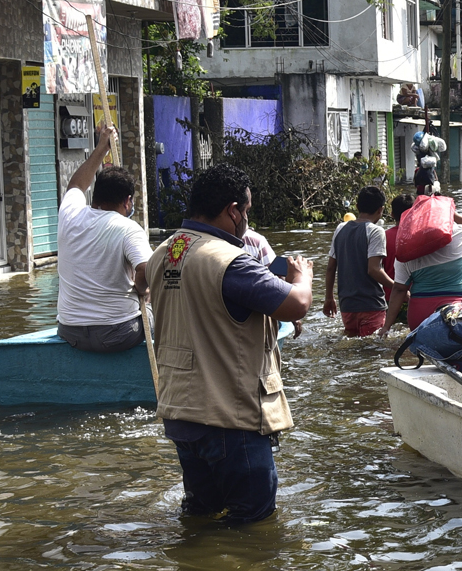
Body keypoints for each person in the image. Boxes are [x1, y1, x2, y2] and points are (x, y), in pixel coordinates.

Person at [148, 163, 310, 524]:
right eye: (247, 212)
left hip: (180, 414)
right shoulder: (230, 261)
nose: (247, 221)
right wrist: (302, 278)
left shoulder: (163, 253)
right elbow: (296, 304)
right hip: (229, 417)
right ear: (232, 211)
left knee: (201, 514)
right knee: (253, 523)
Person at [55, 126, 151, 353]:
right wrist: (142, 289)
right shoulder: (129, 228)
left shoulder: (69, 214)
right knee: (161, 306)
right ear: (128, 201)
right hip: (118, 333)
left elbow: (77, 185)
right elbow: (146, 269)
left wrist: (101, 149)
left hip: (70, 331)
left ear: (95, 195)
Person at [392, 199, 462, 329]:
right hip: (458, 310)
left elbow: (399, 289)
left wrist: (386, 326)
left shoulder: (406, 248)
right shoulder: (459, 235)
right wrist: (451, 213)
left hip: (421, 312)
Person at [322, 185, 398, 336]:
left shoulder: (340, 228)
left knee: (354, 349)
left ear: (357, 206)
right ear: (381, 210)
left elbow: (331, 268)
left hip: (347, 306)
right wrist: (399, 289)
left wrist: (329, 297)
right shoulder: (376, 231)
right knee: (373, 352)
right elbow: (374, 270)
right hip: (371, 305)